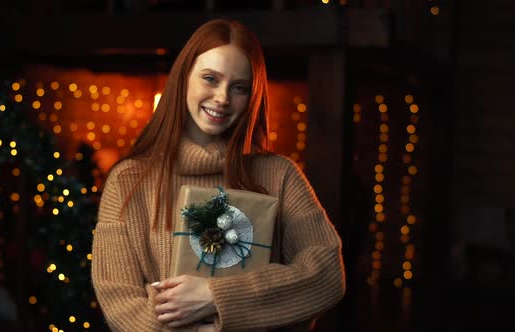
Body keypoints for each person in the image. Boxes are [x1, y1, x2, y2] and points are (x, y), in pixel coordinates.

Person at [91, 18, 346, 331]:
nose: (223, 98)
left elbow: (327, 274)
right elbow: (119, 301)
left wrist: (215, 296)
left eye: (239, 87)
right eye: (210, 78)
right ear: (183, 78)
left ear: (252, 96)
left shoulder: (279, 176)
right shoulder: (129, 180)